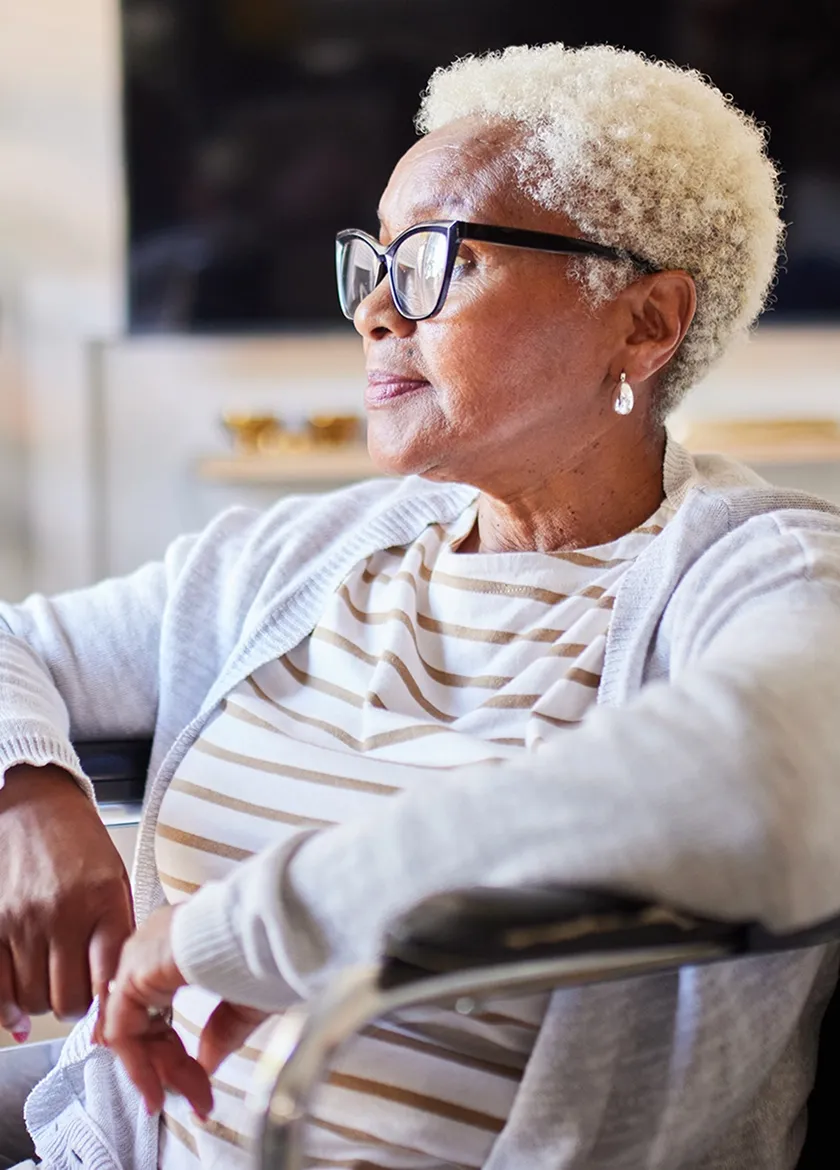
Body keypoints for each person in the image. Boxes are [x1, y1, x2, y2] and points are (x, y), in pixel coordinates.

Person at [2, 40, 840, 1170]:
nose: (378, 312)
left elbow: (764, 777)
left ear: (644, 322)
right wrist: (31, 792)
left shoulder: (760, 569)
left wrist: (258, 931)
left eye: (440, 258)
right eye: (377, 261)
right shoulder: (297, 556)